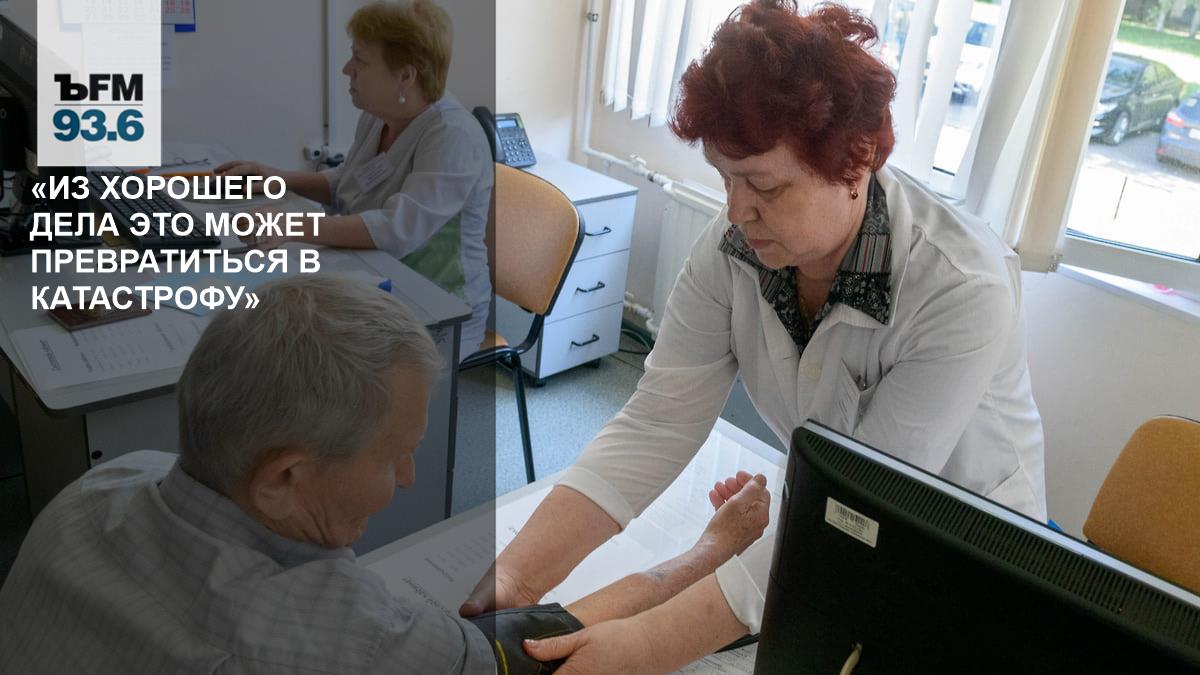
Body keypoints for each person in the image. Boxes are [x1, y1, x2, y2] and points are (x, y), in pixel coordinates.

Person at [462, 2, 1048, 672]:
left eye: (763, 185)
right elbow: (657, 422)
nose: (737, 212)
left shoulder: (960, 288)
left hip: (970, 559)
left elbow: (856, 510)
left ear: (858, 161)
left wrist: (647, 645)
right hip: (828, 526)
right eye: (725, 178)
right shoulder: (734, 248)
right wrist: (517, 575)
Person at [216, 0, 493, 355]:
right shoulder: (380, 115)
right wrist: (275, 177)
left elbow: (397, 229)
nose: (347, 69)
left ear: (405, 76)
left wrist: (290, 225)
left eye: (360, 60)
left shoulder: (453, 135)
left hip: (434, 309)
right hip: (371, 279)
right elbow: (349, 183)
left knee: (289, 346)